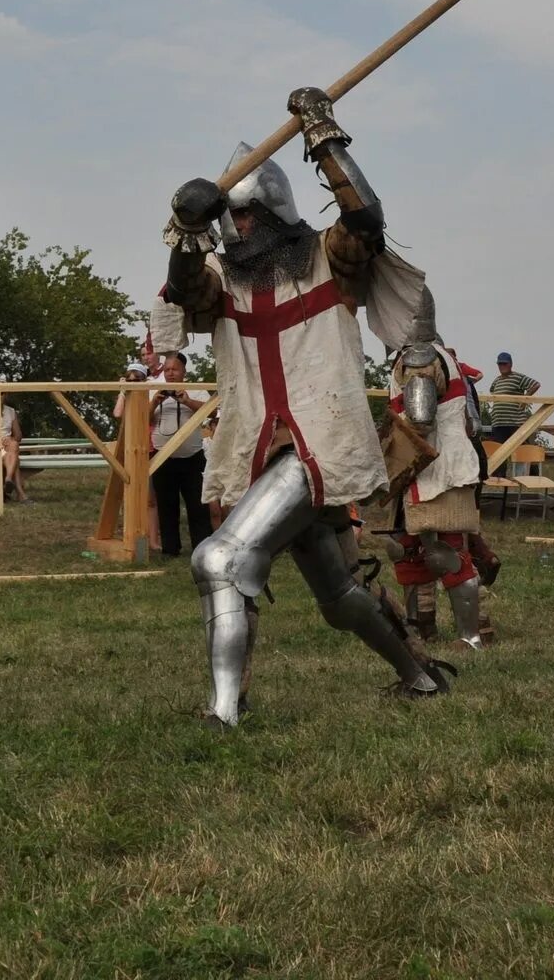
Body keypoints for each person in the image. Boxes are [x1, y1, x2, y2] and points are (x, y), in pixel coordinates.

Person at [158, 87, 452, 727]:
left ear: (265, 212)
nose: (231, 230)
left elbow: (366, 224)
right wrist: (185, 226)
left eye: (238, 217)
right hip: (262, 451)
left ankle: (224, 711)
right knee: (340, 597)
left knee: (218, 559)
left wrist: (324, 137)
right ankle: (421, 678)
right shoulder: (220, 279)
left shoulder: (326, 258)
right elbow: (184, 291)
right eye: (224, 219)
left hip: (316, 444)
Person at [374, 333, 493, 648]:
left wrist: (382, 448)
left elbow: (420, 420)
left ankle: (471, 637)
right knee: (408, 553)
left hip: (435, 471)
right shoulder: (441, 355)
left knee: (446, 553)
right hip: (424, 471)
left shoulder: (419, 358)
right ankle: (422, 631)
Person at [149, 352, 210, 557]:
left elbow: (212, 412)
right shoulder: (152, 390)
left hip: (193, 457)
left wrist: (187, 401)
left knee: (198, 505)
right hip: (162, 458)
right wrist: (154, 402)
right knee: (167, 505)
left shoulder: (197, 390)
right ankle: (170, 549)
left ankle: (201, 548)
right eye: (166, 370)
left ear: (184, 371)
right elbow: (143, 419)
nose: (170, 373)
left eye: (174, 369)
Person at [483, 352, 541, 476]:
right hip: (499, 422)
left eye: (504, 363)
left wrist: (526, 398)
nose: (502, 366)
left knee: (522, 448)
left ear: (510, 364)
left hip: (514, 421)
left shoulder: (518, 377)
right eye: (500, 364)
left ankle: (530, 474)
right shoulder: (497, 381)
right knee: (498, 450)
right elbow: (492, 391)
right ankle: (499, 476)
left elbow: (535, 384)